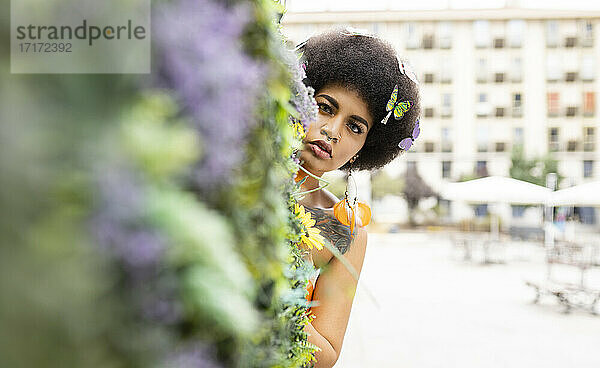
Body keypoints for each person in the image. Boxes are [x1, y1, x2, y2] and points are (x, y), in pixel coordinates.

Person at [292, 27, 421, 367]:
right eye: (324, 107)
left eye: (355, 126)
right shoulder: (242, 171)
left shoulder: (347, 232)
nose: (333, 131)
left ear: (363, 150)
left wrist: (272, 304)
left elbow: (328, 353)